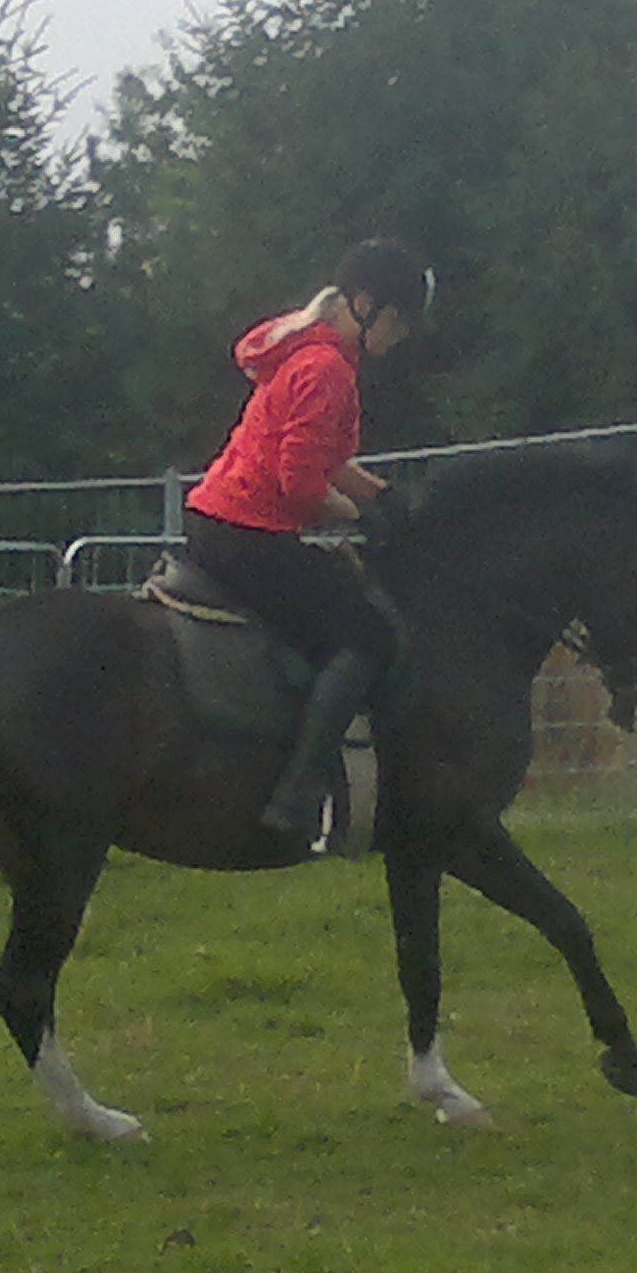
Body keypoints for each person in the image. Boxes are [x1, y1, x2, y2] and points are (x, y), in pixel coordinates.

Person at [181, 238, 431, 843]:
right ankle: (298, 796)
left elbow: (330, 460)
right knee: (366, 635)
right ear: (365, 305)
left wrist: (383, 497)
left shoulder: (316, 352)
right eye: (398, 322)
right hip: (247, 532)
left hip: (221, 518)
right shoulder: (327, 371)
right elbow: (301, 487)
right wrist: (359, 517)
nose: (400, 337)